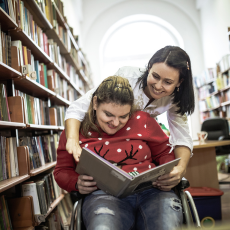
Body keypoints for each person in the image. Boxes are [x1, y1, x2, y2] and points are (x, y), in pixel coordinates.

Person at [54, 76, 183, 230]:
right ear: (95, 103)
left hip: (153, 192)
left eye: (123, 116)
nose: (115, 123)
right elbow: (62, 171)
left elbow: (164, 152)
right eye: (108, 115)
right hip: (102, 196)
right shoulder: (76, 132)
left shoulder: (143, 120)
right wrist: (76, 183)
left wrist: (169, 171)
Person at [65, 45, 195, 190]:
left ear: (179, 82)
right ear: (149, 68)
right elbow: (78, 108)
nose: (158, 86)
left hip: (138, 147)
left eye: (168, 82)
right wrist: (72, 140)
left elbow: (182, 136)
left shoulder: (176, 98)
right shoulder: (126, 76)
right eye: (155, 76)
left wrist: (181, 169)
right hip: (110, 140)